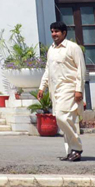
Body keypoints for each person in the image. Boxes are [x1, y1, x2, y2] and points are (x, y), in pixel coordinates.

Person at [38, 20, 88, 162]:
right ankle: (70, 151)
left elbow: (81, 70)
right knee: (66, 120)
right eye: (52, 31)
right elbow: (48, 70)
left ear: (64, 33)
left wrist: (79, 90)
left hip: (69, 87)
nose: (54, 34)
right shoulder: (51, 49)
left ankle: (77, 148)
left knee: (62, 117)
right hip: (56, 89)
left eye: (57, 31)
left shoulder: (73, 48)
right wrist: (42, 87)